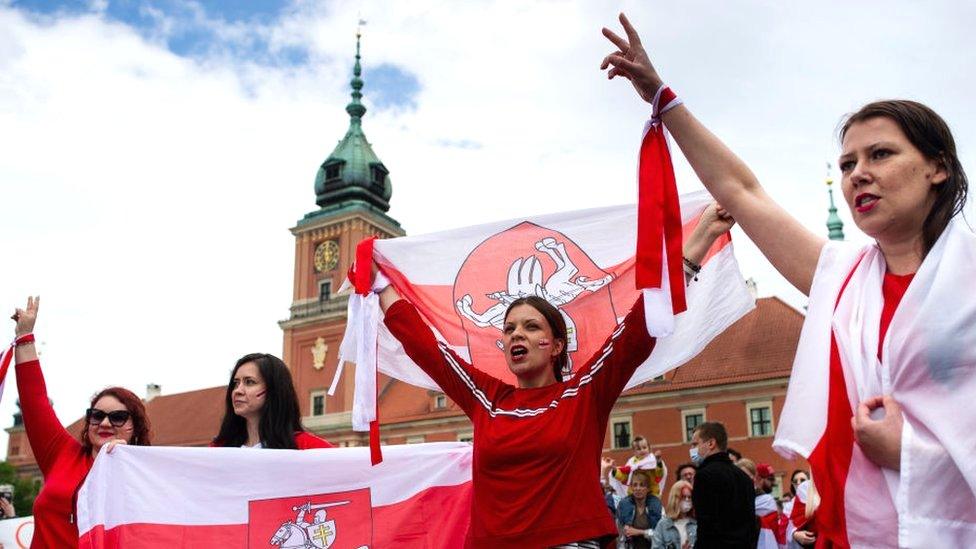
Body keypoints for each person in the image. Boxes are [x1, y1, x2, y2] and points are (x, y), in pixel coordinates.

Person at [601, 12, 974, 545]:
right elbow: (742, 191)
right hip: (849, 534)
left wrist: (910, 455)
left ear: (938, 166)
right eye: (847, 164)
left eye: (881, 154)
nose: (857, 174)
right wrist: (662, 97)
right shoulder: (843, 279)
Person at [374, 208, 733, 547]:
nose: (516, 334)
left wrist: (703, 236)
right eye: (509, 328)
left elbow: (641, 326)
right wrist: (379, 285)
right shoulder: (486, 398)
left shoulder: (586, 391)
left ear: (557, 345)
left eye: (531, 327)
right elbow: (426, 348)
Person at [10, 296, 151, 547]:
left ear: (135, 427)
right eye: (96, 415)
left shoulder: (146, 474)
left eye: (118, 417)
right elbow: (35, 403)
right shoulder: (63, 454)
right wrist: (24, 337)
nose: (105, 423)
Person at [212, 353, 333, 449]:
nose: (237, 390)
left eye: (249, 382)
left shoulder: (307, 447)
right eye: (236, 383)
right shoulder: (219, 450)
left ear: (274, 390)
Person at [687, 422, 757, 547]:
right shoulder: (744, 478)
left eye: (695, 444)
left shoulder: (704, 475)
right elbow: (752, 524)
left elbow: (706, 525)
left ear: (711, 443)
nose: (691, 449)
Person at [616, 469, 663, 549]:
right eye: (635, 485)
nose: (638, 488)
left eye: (642, 485)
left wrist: (640, 532)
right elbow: (619, 536)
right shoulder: (623, 506)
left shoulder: (657, 506)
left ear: (648, 488)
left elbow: (661, 535)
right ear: (631, 487)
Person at [609, 436, 666, 500]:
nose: (642, 450)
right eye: (639, 449)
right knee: (625, 505)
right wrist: (615, 471)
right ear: (634, 452)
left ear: (649, 448)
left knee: (655, 507)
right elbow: (625, 477)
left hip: (651, 493)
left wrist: (659, 463)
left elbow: (659, 474)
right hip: (634, 494)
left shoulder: (653, 460)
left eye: (644, 447)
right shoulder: (631, 462)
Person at [651, 480, 696, 549]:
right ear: (675, 499)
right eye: (683, 497)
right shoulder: (663, 525)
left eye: (689, 497)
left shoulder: (696, 524)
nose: (687, 500)